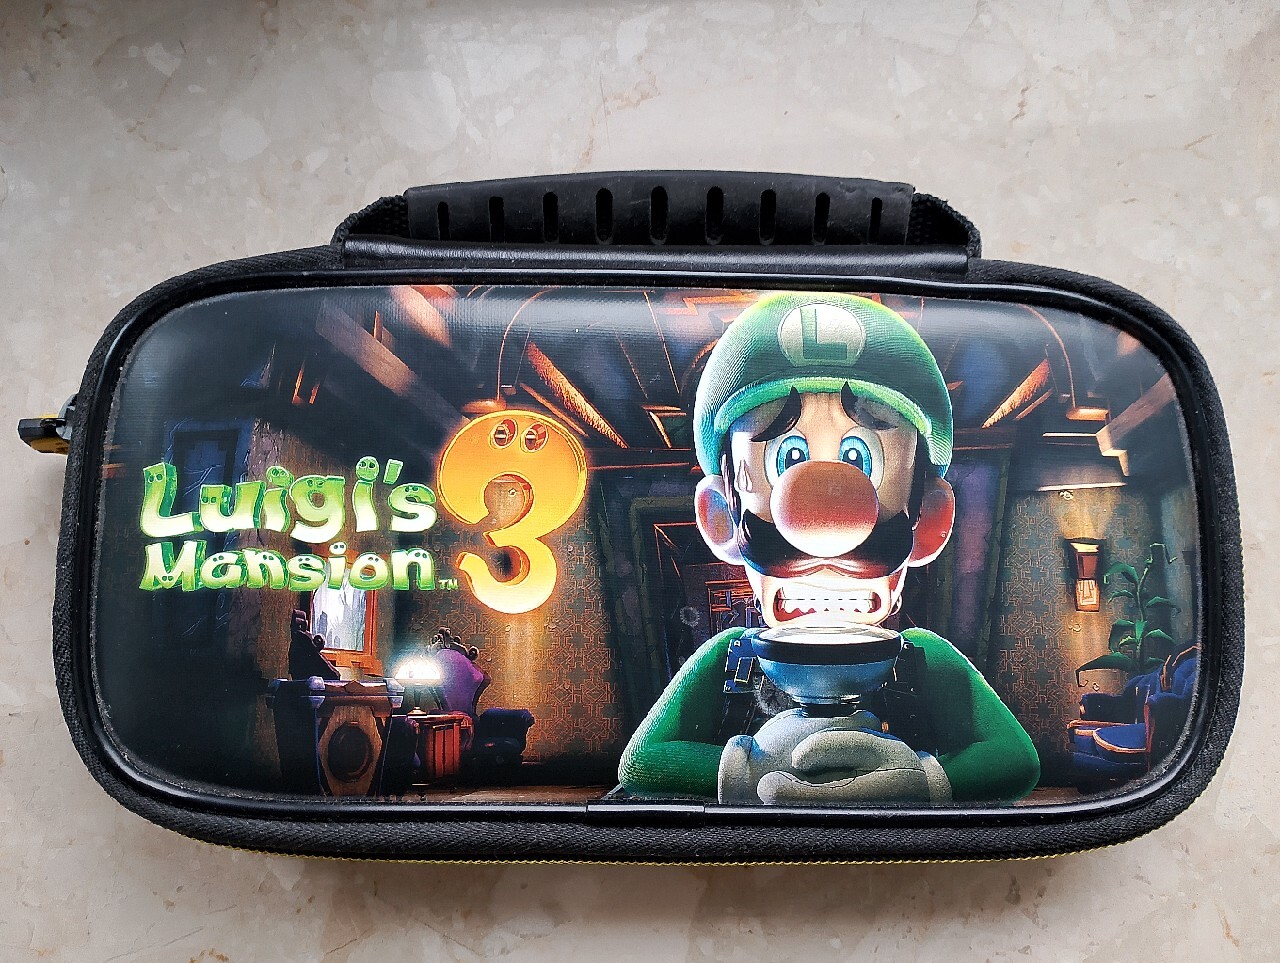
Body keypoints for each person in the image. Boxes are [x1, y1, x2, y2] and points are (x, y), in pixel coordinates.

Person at [618, 292, 1039, 804]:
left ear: (927, 519)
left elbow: (1014, 759)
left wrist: (921, 779)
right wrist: (752, 773)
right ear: (721, 518)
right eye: (788, 458)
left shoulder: (924, 660)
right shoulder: (728, 661)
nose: (824, 525)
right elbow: (642, 762)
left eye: (861, 459)